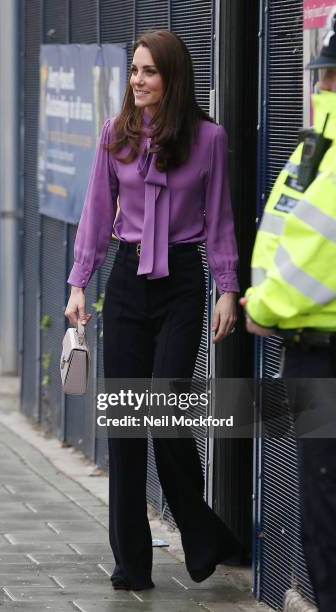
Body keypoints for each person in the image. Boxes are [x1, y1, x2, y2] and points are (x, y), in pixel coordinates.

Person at [65, 30, 241, 591]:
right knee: (125, 426)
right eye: (134, 71)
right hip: (126, 284)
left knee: (164, 410)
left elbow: (219, 221)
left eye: (148, 71)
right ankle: (132, 564)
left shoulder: (209, 139)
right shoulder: (115, 136)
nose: (137, 80)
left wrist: (228, 288)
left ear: (172, 78)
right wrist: (77, 284)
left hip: (183, 281)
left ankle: (200, 532)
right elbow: (96, 214)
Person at [240, 16, 336, 612]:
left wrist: (267, 305)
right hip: (306, 342)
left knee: (324, 510)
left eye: (325, 77)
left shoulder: (326, 152)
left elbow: (317, 249)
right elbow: (282, 230)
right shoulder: (316, 148)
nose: (317, 87)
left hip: (319, 351)